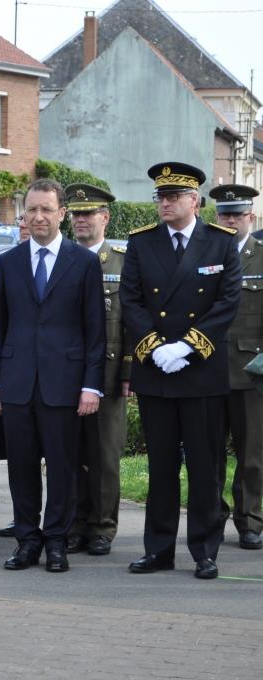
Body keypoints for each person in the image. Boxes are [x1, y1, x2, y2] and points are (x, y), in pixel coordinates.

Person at [121, 163, 241, 579]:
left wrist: (187, 347)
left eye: (174, 196)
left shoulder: (220, 243)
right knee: (161, 466)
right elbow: (131, 301)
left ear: (195, 201)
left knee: (205, 467)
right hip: (157, 370)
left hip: (201, 372)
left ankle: (205, 550)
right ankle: (158, 549)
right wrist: (155, 348)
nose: (165, 203)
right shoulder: (141, 243)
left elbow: (227, 303)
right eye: (161, 196)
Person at [0, 178, 105, 573]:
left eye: (46, 210)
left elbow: (95, 331)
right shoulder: (10, 261)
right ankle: (27, 540)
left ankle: (56, 541)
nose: (38, 217)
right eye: (31, 209)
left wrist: (91, 385)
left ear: (62, 214)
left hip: (64, 384)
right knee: (20, 467)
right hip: (18, 383)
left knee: (62, 466)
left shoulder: (84, 262)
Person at [65, 183, 130, 557]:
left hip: (107, 375)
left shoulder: (122, 259)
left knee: (104, 456)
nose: (81, 220)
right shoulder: (65, 257)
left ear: (105, 217)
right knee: (70, 455)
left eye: (88, 214)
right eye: (76, 214)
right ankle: (74, 524)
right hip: (67, 374)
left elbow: (132, 322)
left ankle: (103, 527)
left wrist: (128, 375)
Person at [209, 183, 263, 550]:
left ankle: (251, 521)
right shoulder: (203, 253)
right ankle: (212, 518)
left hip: (249, 370)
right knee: (207, 453)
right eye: (224, 215)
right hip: (208, 369)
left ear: (251, 217)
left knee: (253, 454)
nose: (230, 221)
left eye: (236, 215)